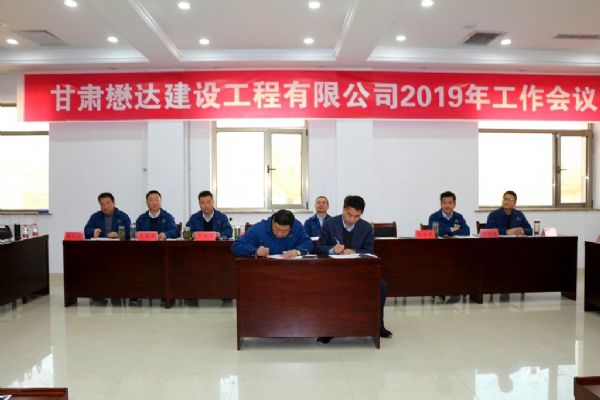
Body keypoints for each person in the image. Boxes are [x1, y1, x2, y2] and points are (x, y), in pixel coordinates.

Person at [316, 195, 392, 341]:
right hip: (334, 271)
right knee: (326, 286)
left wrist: (354, 251)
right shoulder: (329, 224)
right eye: (349, 214)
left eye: (356, 216)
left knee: (381, 285)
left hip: (358, 271)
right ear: (343, 209)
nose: (352, 219)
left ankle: (377, 325)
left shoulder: (366, 227)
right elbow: (319, 248)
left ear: (361, 214)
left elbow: (369, 251)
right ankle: (328, 329)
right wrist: (333, 249)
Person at [231, 209, 312, 258]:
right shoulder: (259, 229)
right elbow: (236, 245)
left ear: (291, 227)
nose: (279, 233)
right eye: (276, 229)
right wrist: (255, 251)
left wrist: (297, 251)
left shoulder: (297, 227)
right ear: (272, 222)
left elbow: (308, 243)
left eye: (284, 231)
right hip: (263, 271)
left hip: (291, 269)